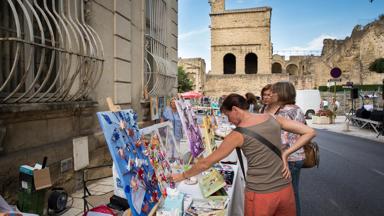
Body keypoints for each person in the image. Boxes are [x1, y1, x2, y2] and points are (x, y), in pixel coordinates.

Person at [172, 93, 316, 216]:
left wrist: (182, 176)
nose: (229, 120)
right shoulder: (273, 118)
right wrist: (286, 153)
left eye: (228, 115)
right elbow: (310, 132)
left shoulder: (238, 134)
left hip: (261, 194)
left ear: (235, 109)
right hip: (285, 190)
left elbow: (205, 163)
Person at [269, 81, 307, 216]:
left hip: (287, 158)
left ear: (281, 93)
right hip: (298, 156)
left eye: (274, 91)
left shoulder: (284, 112)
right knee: (294, 192)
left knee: (287, 196)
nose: (271, 94)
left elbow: (283, 140)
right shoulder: (297, 109)